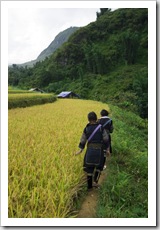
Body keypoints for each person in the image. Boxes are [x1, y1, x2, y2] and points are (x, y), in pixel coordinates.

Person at [75, 111, 109, 190]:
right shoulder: (101, 127)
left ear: (88, 119)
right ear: (96, 118)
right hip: (99, 151)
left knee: (89, 169)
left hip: (90, 150)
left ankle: (89, 187)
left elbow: (83, 140)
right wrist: (107, 149)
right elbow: (106, 139)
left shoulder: (87, 128)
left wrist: (80, 150)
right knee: (99, 167)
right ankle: (95, 182)